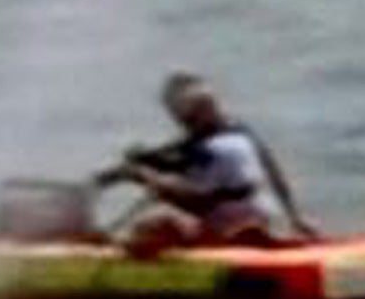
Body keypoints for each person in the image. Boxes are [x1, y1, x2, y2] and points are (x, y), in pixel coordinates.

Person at [109, 73, 318, 250]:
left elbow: (197, 200)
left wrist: (145, 178)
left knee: (150, 227)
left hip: (225, 219)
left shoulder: (206, 149)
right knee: (171, 198)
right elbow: (274, 173)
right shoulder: (242, 134)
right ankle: (252, 232)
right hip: (263, 211)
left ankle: (229, 238)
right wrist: (295, 217)